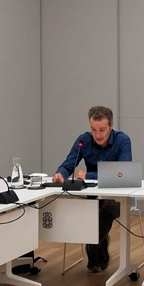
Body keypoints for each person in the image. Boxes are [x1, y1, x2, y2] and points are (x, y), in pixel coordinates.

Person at [51, 105, 132, 273]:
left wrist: (89, 175)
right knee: (81, 209)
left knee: (106, 209)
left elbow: (124, 173)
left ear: (111, 126)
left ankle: (93, 245)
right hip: (91, 195)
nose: (98, 135)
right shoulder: (83, 140)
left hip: (116, 196)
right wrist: (60, 174)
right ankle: (100, 242)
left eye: (102, 130)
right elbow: (68, 164)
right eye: (93, 130)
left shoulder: (122, 140)